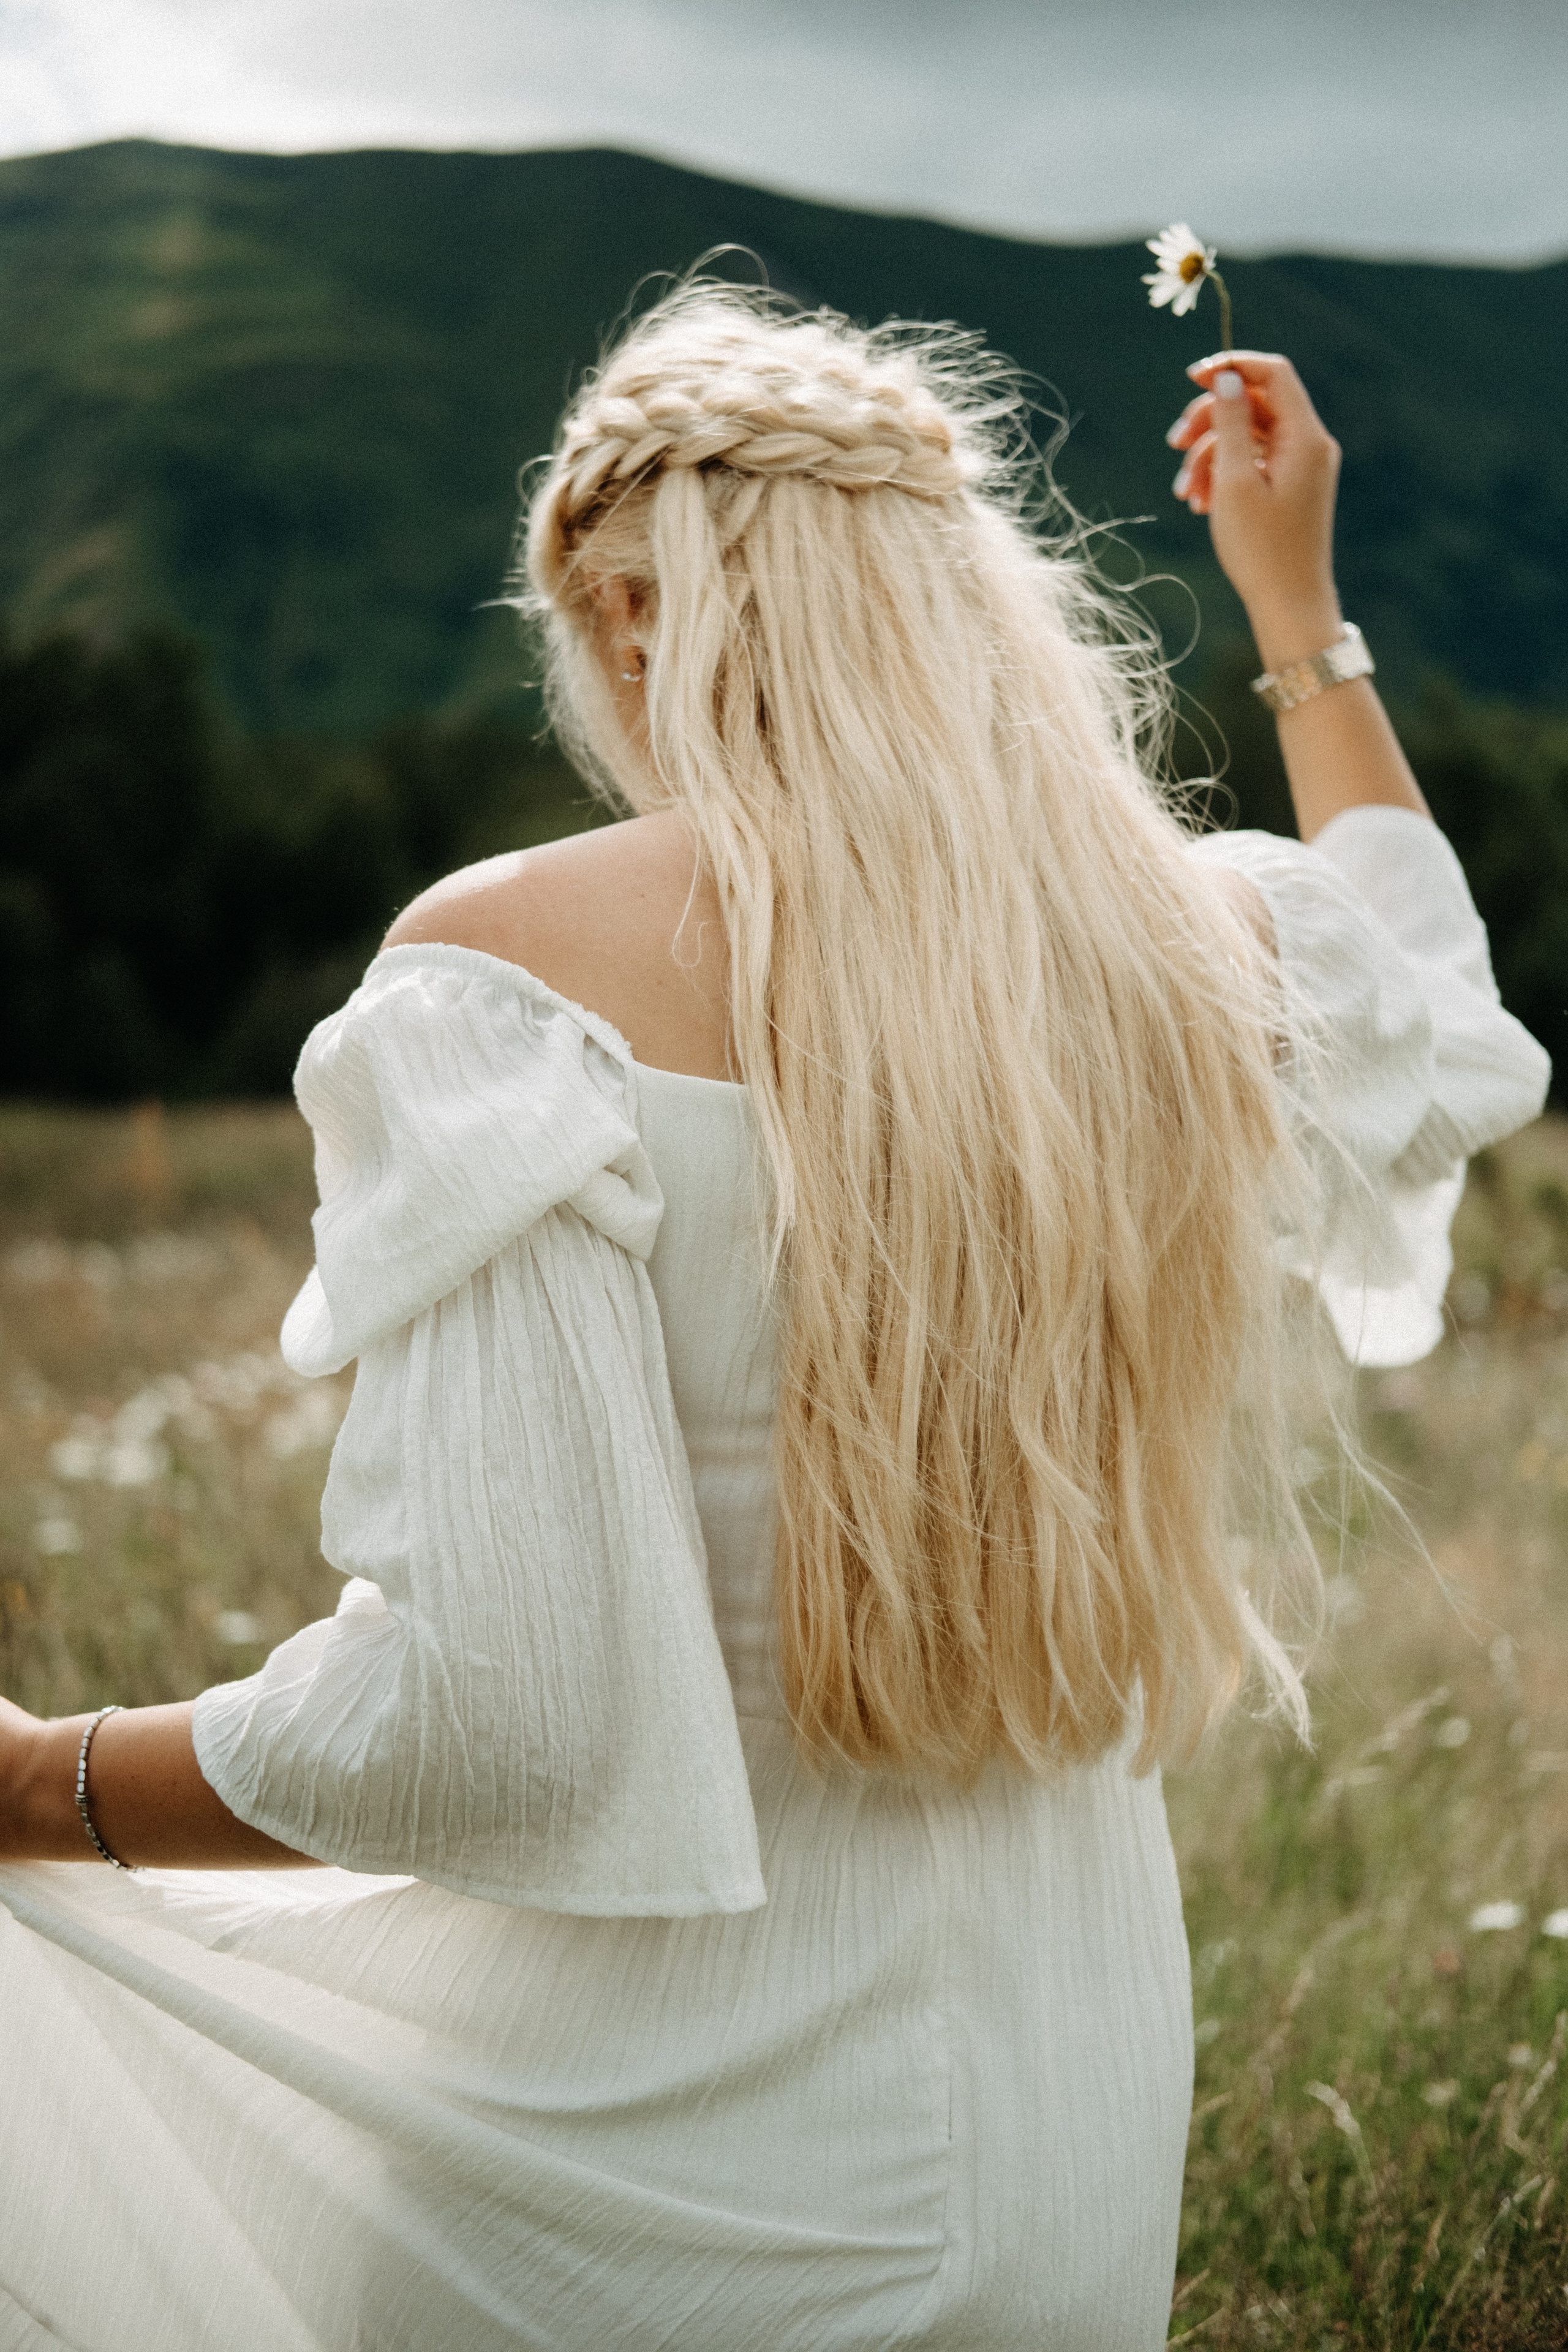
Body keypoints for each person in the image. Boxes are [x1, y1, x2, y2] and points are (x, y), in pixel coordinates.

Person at [0, 288, 1548, 2352]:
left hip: (627, 2182)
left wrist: (42, 1783)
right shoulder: (1190, 952)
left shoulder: (503, 981)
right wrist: (1299, 606)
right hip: (1063, 2139)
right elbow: (1441, 1005)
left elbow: (501, 1717)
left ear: (634, 618)